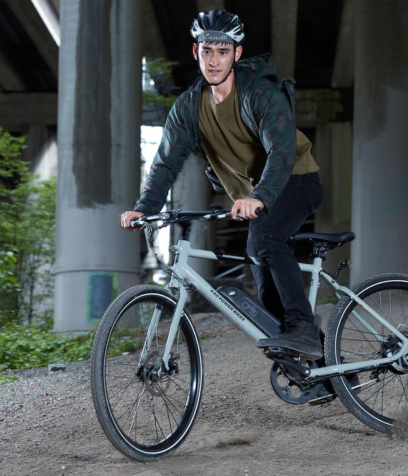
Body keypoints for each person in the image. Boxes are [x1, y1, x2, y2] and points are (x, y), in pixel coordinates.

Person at [120, 10, 325, 360]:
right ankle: (315, 364)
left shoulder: (259, 93)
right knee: (265, 283)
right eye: (207, 51)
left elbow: (282, 150)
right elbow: (165, 163)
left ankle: (303, 328)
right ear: (195, 52)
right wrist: (145, 208)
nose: (214, 60)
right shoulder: (188, 107)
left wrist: (259, 196)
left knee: (265, 238)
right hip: (257, 197)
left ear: (237, 54)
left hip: (296, 179)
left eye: (223, 51)